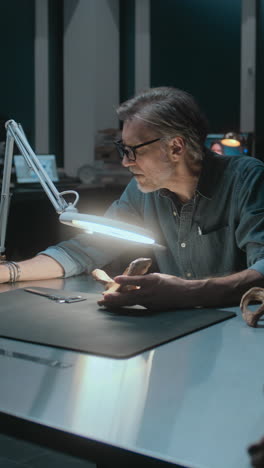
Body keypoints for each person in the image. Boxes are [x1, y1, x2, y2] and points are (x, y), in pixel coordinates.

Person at [1, 86, 264, 310]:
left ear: (176, 147)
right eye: (121, 149)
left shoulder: (246, 180)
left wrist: (187, 292)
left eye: (132, 150)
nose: (125, 162)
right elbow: (85, 250)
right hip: (178, 331)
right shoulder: (142, 191)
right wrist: (11, 272)